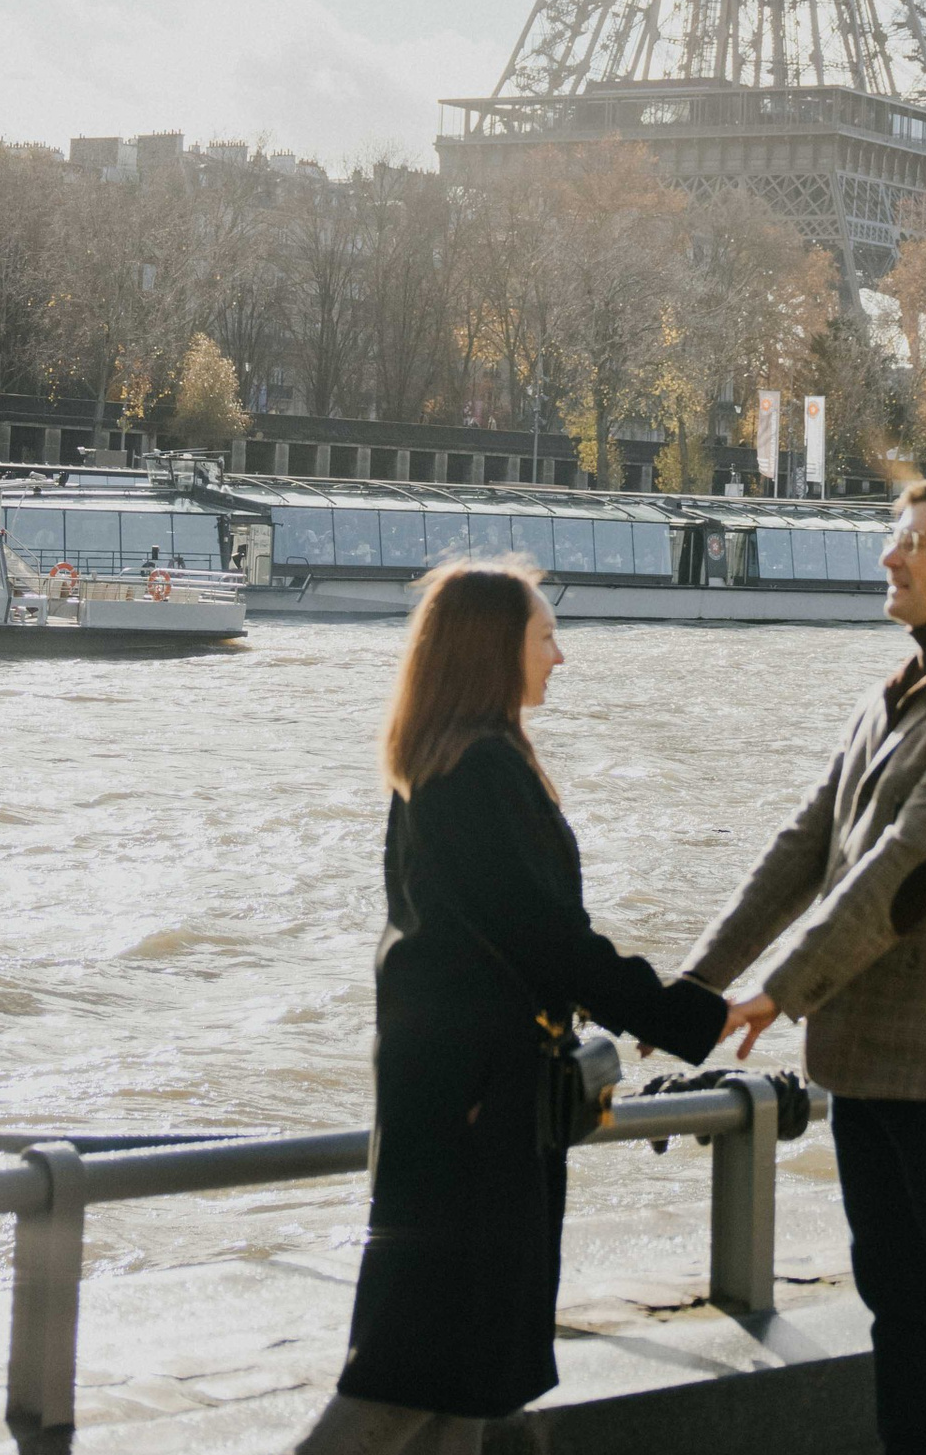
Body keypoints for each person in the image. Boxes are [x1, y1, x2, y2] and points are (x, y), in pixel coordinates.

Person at [296, 563, 730, 1455]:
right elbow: (553, 941)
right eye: (543, 637)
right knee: (411, 1374)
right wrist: (695, 1017)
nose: (560, 657)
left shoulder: (437, 761)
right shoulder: (484, 772)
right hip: (479, 1117)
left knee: (465, 1375)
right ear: (495, 650)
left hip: (456, 1100)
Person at [683, 476, 926, 1455]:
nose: (889, 557)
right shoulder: (897, 692)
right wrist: (690, 983)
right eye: (893, 539)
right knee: (897, 1303)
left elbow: (910, 871)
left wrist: (776, 991)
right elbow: (802, 847)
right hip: (862, 1052)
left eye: (913, 542)